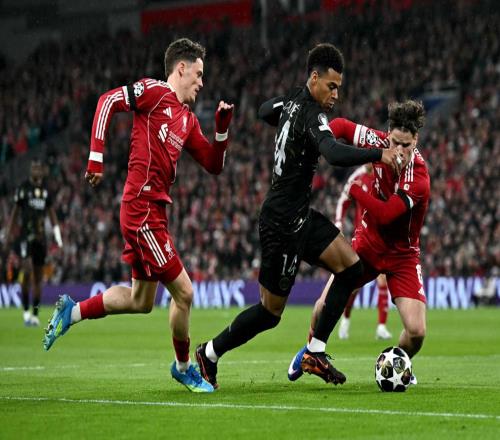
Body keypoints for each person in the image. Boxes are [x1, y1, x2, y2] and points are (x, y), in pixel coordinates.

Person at [195, 43, 401, 389]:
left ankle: (315, 352)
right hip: (281, 224)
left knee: (351, 268)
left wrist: (286, 114)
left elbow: (264, 110)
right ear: (314, 78)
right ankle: (209, 353)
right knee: (269, 313)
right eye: (331, 86)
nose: (335, 95)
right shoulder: (312, 114)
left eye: (339, 88)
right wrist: (378, 154)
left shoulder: (292, 100)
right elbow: (332, 153)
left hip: (300, 215)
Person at [43, 38, 234, 394]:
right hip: (141, 208)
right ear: (181, 68)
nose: (202, 82)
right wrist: (96, 156)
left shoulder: (188, 120)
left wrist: (221, 131)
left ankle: (73, 312)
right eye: (198, 73)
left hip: (155, 210)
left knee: (141, 301)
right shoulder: (155, 92)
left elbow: (213, 164)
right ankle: (183, 368)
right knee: (185, 293)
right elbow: (107, 101)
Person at [288, 101, 430, 385]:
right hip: (367, 244)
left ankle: (399, 364)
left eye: (406, 145)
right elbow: (341, 126)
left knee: (416, 332)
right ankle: (310, 352)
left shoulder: (419, 178)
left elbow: (387, 214)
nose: (399, 151)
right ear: (388, 134)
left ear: (416, 140)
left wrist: (356, 191)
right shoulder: (378, 142)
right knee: (321, 308)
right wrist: (319, 142)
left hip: (403, 255)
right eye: (395, 142)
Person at [333, 164, 392, 341]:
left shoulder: (384, 174)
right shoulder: (358, 176)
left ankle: (381, 326)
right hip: (362, 239)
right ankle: (346, 319)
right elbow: (343, 200)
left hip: (381, 238)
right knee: (354, 285)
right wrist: (339, 222)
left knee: (383, 281)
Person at [3, 158, 63, 326]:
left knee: (38, 278)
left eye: (38, 168)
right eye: (33, 168)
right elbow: (15, 213)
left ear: (42, 171)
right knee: (27, 270)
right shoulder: (23, 189)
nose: (36, 170)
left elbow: (52, 215)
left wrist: (58, 237)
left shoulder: (45, 192)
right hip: (25, 237)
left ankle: (35, 314)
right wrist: (8, 235)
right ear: (31, 170)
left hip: (41, 239)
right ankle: (25, 311)